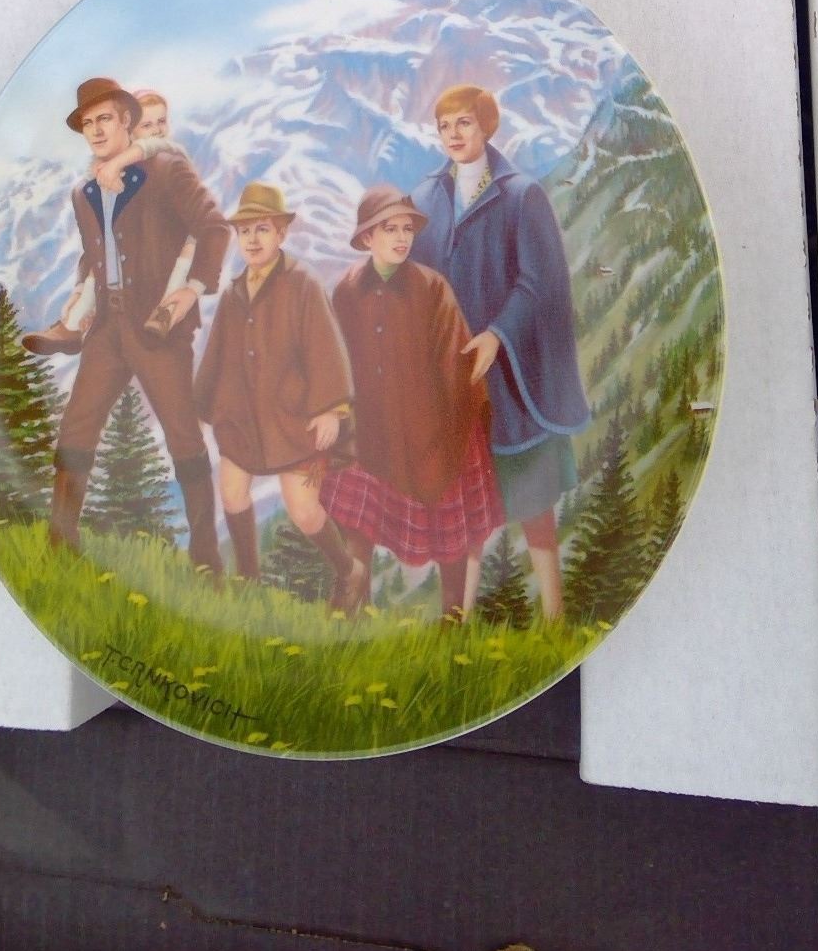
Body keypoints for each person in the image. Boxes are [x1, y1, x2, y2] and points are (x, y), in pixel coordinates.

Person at [410, 85, 590, 620]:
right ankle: (460, 618)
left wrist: (496, 334)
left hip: (512, 374)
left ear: (487, 126)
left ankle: (555, 616)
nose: (453, 135)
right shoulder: (425, 198)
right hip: (453, 374)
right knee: (462, 499)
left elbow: (539, 282)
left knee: (532, 497)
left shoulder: (521, 195)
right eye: (444, 126)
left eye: (463, 123)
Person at [38, 76, 230, 573]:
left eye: (105, 118)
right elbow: (95, 254)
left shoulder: (166, 170)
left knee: (182, 435)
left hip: (157, 325)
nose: (96, 130)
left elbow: (214, 228)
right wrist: (79, 301)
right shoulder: (83, 193)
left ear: (127, 121)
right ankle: (60, 543)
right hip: (107, 326)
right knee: (77, 426)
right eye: (88, 123)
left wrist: (194, 288)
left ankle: (205, 556)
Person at [320, 186, 501, 620]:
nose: (402, 238)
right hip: (370, 430)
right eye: (390, 229)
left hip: (433, 429)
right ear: (367, 237)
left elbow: (456, 362)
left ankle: (452, 619)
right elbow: (334, 361)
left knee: (449, 531)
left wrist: (443, 431)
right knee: (357, 520)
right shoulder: (346, 291)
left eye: (407, 229)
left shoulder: (431, 287)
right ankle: (353, 613)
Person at [193, 182, 366, 610]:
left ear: (282, 233)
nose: (252, 239)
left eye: (262, 229)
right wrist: (200, 406)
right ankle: (248, 580)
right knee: (232, 492)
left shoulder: (302, 283)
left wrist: (330, 409)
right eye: (244, 231)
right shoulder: (234, 292)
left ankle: (349, 571)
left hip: (292, 420)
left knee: (303, 510)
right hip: (241, 416)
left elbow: (326, 347)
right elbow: (216, 353)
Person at [24, 89, 190, 356]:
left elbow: (156, 146)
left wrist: (118, 162)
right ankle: (72, 325)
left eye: (162, 121)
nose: (157, 130)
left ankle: (163, 314)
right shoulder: (117, 175)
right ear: (133, 130)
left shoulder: (168, 159)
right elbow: (94, 245)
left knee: (185, 252)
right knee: (102, 256)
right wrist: (81, 288)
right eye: (148, 125)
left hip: (172, 249)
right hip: (125, 275)